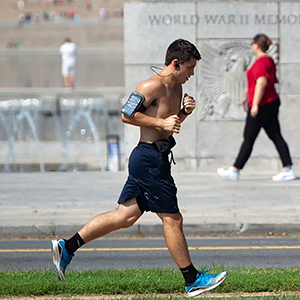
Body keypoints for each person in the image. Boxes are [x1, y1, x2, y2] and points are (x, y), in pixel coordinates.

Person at [51, 38, 227, 297]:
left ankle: (67, 247)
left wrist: (184, 114)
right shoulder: (151, 85)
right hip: (148, 159)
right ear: (175, 63)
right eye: (189, 68)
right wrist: (161, 123)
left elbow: (169, 124)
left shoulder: (177, 88)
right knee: (172, 219)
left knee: (125, 216)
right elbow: (126, 113)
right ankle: (192, 279)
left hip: (155, 157)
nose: (192, 74)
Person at [217, 33, 295, 182]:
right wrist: (248, 92)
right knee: (275, 136)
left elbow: (262, 82)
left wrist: (256, 105)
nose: (251, 46)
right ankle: (287, 169)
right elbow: (259, 82)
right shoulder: (268, 60)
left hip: (263, 105)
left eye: (252, 43)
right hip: (270, 103)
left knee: (249, 138)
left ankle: (235, 170)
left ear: (256, 45)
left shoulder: (262, 62)